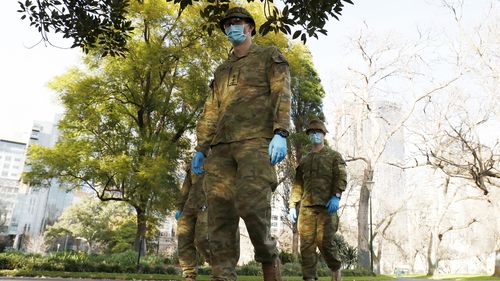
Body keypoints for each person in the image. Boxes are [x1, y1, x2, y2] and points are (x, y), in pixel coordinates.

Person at [191, 6, 291, 281]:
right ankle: (223, 274)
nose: (232, 28)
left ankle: (269, 258)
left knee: (251, 204)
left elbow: (281, 92)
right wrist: (201, 148)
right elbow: (211, 110)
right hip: (221, 148)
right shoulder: (222, 70)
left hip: (256, 142)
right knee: (219, 213)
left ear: (249, 27)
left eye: (237, 23)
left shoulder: (269, 55)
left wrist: (280, 132)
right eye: (227, 25)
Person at [288, 119, 347, 281]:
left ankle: (336, 271)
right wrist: (292, 205)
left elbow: (341, 176)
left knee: (325, 243)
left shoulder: (334, 156)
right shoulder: (305, 160)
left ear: (323, 135)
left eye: (318, 132)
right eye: (312, 133)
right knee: (306, 246)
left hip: (327, 207)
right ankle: (309, 278)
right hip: (307, 208)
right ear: (309, 136)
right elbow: (297, 184)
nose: (315, 135)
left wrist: (336, 196)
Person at [176, 168, 210, 281]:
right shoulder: (195, 162)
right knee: (183, 237)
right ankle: (189, 275)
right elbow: (186, 186)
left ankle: (220, 265)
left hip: (209, 204)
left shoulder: (219, 155)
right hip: (190, 205)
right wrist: (180, 207)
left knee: (202, 238)